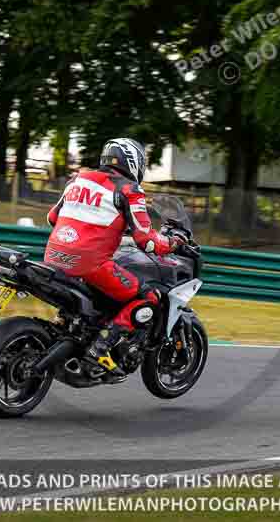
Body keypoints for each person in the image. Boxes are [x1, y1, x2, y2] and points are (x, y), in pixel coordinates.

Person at [44, 138, 186, 381]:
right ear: (133, 162)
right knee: (148, 298)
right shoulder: (129, 189)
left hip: (53, 258)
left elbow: (52, 218)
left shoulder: (77, 180)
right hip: (90, 264)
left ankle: (72, 329)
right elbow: (148, 241)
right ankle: (100, 348)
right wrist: (173, 243)